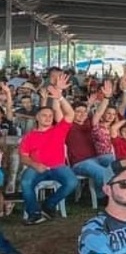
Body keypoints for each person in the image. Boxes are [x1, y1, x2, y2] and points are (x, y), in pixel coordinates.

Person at [18, 74, 78, 225]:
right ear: (37, 118)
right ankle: (34, 213)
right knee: (25, 182)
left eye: (50, 115)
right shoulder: (30, 136)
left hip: (58, 166)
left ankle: (49, 205)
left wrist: (61, 98)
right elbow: (24, 157)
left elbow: (70, 114)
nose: (48, 118)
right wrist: (35, 164)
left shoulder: (58, 130)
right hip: (37, 167)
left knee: (72, 182)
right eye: (44, 115)